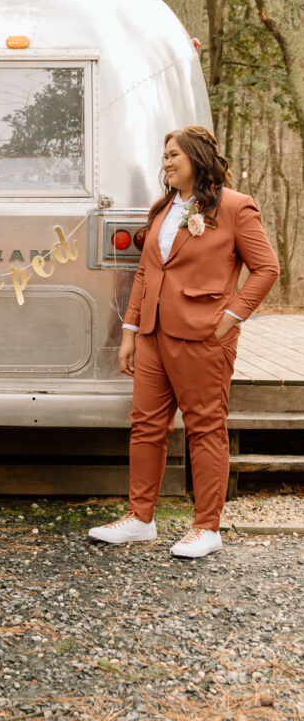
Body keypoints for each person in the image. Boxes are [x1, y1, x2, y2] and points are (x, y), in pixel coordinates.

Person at [88, 126, 279, 558]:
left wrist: (230, 318)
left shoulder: (235, 207)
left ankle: (207, 528)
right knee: (146, 426)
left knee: (205, 427)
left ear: (197, 158)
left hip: (205, 335)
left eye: (174, 155)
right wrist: (130, 332)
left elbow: (267, 268)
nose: (166, 162)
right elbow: (146, 273)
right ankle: (140, 520)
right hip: (153, 335)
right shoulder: (164, 207)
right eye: (164, 156)